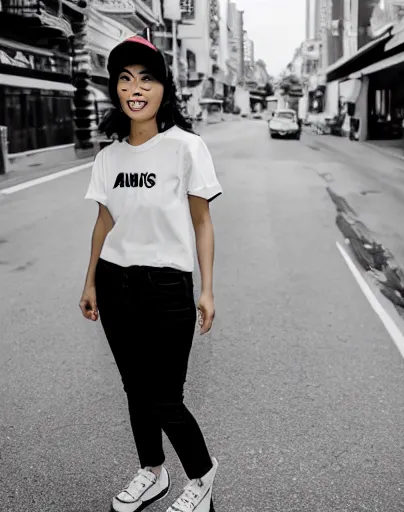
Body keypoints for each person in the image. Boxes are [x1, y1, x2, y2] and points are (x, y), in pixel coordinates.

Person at [79, 35, 221, 512]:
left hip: (167, 287)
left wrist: (207, 288)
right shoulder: (109, 157)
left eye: (145, 78)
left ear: (163, 88)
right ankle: (153, 471)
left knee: (163, 395)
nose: (134, 88)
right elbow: (104, 222)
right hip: (115, 283)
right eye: (124, 79)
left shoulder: (187, 147)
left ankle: (201, 476)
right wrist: (90, 280)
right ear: (116, 90)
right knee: (134, 389)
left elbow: (202, 221)